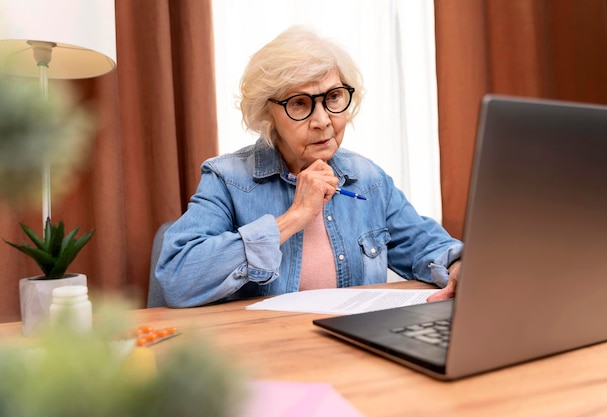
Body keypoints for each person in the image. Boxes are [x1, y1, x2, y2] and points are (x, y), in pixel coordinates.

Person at [155, 26, 463, 308]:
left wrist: (458, 267)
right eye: (300, 103)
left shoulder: (368, 179)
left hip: (353, 349)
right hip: (267, 354)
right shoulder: (228, 179)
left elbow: (428, 246)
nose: (323, 121)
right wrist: (295, 216)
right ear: (268, 111)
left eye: (333, 97)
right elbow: (177, 278)